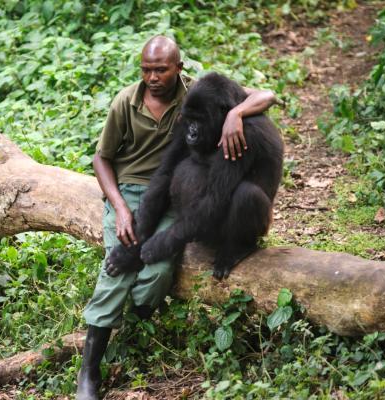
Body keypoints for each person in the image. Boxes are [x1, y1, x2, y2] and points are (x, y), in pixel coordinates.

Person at [76, 35, 277, 400]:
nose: (193, 130)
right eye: (146, 69)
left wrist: (236, 114)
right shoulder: (175, 106)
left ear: (178, 70)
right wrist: (135, 232)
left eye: (161, 69)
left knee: (239, 201)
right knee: (120, 263)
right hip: (144, 197)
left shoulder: (237, 130)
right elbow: (162, 178)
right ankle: (89, 369)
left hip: (237, 217)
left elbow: (214, 203)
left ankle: (235, 250)